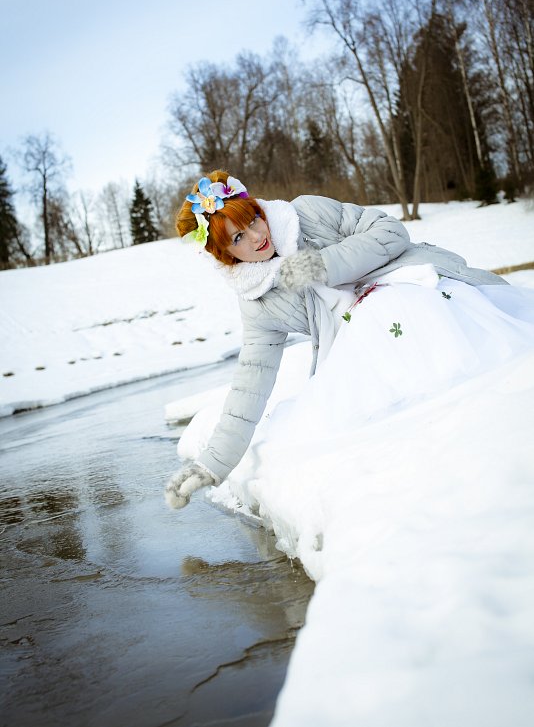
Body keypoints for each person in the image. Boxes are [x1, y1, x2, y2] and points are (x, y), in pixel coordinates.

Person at [165, 169, 534, 509]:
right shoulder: (258, 300)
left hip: (418, 293)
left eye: (254, 219)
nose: (258, 236)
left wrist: (322, 265)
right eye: (239, 237)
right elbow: (250, 382)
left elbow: (390, 233)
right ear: (225, 254)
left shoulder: (306, 214)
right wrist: (211, 465)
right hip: (368, 353)